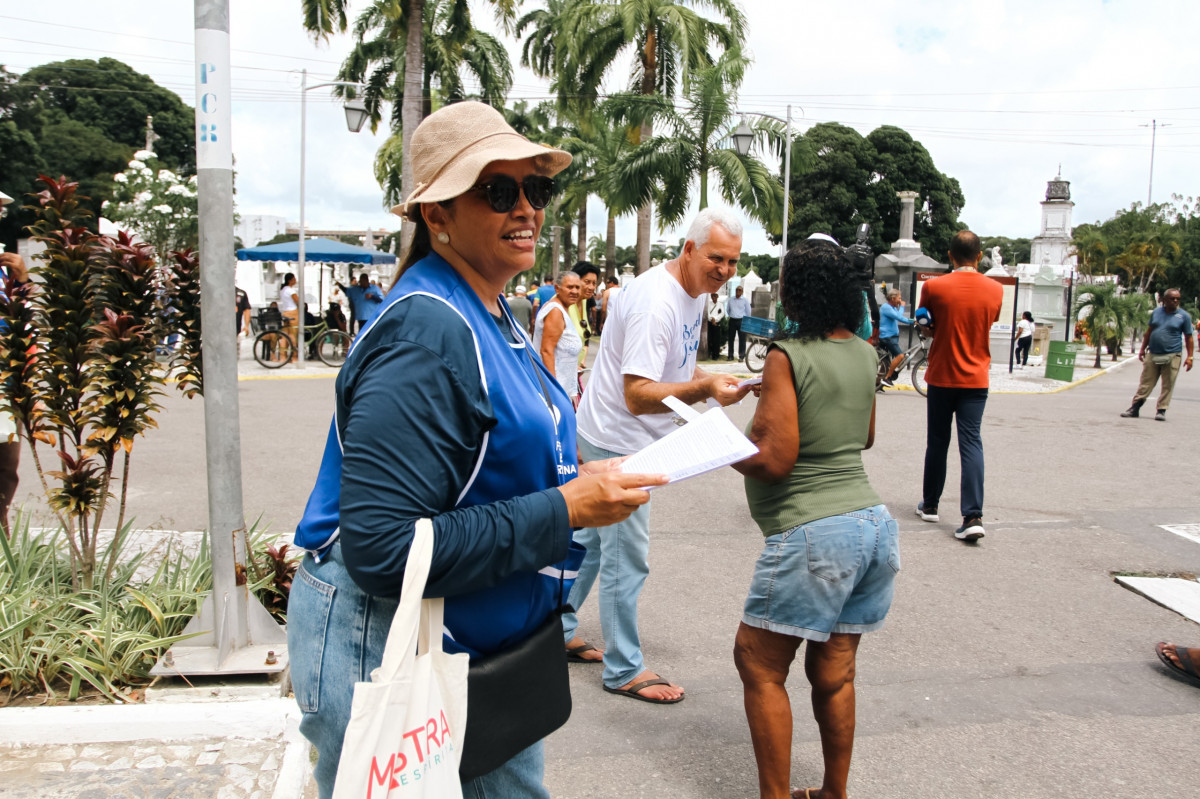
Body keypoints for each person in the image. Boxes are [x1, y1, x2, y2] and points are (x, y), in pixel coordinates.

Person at [286, 101, 666, 799]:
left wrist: (574, 477)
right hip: (387, 646)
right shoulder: (425, 334)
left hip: (473, 646)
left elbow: (477, 463)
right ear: (437, 215)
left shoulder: (491, 309)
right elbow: (381, 548)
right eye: (498, 191)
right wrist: (565, 507)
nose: (525, 208)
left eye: (536, 189)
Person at [732, 237, 898, 799]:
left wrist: (721, 444)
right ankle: (833, 793)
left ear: (795, 291)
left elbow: (774, 461)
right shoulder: (864, 352)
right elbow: (865, 435)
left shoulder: (786, 355)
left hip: (815, 532)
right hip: (872, 526)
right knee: (834, 673)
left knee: (759, 664)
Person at [564, 207, 751, 703]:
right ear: (688, 250)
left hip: (626, 434)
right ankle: (624, 668)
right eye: (717, 258)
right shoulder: (657, 301)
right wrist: (705, 388)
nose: (725, 271)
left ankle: (555, 626)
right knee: (628, 556)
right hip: (618, 438)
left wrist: (706, 388)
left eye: (733, 262)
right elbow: (638, 393)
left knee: (595, 545)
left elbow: (671, 371)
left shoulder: (692, 292)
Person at [915, 230, 1003, 542]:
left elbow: (926, 327)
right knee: (971, 442)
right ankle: (973, 515)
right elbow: (986, 323)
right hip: (976, 378)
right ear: (979, 257)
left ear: (950, 255)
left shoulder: (934, 286)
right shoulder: (995, 290)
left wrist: (932, 327)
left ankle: (930, 504)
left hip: (941, 375)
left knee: (938, 441)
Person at [1120, 288, 1194, 421]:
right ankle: (1135, 408)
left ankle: (1161, 410)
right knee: (1146, 382)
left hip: (1173, 355)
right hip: (1153, 353)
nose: (1175, 301)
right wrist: (1142, 349)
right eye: (1172, 298)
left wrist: (1190, 357)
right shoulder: (1156, 313)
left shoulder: (1184, 316)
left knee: (1168, 384)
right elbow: (1149, 331)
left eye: (1178, 298)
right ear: (1164, 300)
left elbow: (1189, 337)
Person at [0, 189, 26, 533]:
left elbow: (27, 320)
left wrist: (22, 280)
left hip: (5, 379)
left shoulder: (6, 266)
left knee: (6, 465)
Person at [532, 271, 584, 401]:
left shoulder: (563, 308)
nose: (574, 291)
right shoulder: (555, 311)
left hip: (563, 387)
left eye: (577, 287)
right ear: (557, 288)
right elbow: (546, 351)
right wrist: (554, 391)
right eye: (570, 287)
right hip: (556, 390)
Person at [878, 288, 914, 385]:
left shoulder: (893, 307)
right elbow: (899, 317)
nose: (900, 300)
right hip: (887, 337)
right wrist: (913, 321)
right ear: (893, 298)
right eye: (899, 298)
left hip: (892, 336)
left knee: (886, 361)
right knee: (900, 356)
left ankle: (878, 382)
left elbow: (898, 316)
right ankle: (887, 378)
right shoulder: (886, 307)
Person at [570, 261, 601, 364]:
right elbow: (548, 349)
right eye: (587, 282)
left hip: (575, 371)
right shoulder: (562, 305)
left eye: (594, 283)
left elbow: (584, 338)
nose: (591, 287)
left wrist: (582, 361)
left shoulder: (584, 301)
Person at [277, 272, 299, 359]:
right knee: (293, 335)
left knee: (284, 336)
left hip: (285, 312)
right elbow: (297, 301)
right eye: (294, 279)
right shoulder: (291, 291)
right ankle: (294, 356)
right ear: (290, 281)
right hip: (293, 312)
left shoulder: (283, 290)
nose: (295, 281)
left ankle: (283, 356)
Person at [727, 284, 752, 360]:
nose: (738, 291)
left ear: (742, 292)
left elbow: (748, 311)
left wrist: (746, 321)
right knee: (731, 339)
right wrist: (732, 315)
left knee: (742, 339)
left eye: (739, 290)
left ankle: (741, 356)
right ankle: (730, 355)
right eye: (737, 290)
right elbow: (728, 310)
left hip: (741, 320)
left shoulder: (745, 300)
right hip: (732, 320)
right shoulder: (731, 299)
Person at [707, 291, 725, 360]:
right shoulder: (709, 304)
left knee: (716, 340)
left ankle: (716, 355)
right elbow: (708, 313)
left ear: (717, 296)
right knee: (710, 339)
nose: (713, 297)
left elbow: (722, 313)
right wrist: (712, 319)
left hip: (717, 323)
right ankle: (710, 354)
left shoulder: (720, 304)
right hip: (710, 323)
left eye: (715, 295)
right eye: (712, 296)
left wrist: (715, 319)